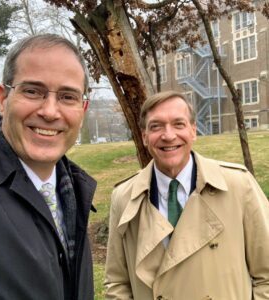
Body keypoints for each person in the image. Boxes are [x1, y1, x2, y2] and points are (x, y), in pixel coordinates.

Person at [104, 90, 269, 299]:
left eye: (178, 124)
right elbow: (117, 282)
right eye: (156, 126)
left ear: (193, 130)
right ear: (144, 137)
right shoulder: (123, 197)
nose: (168, 135)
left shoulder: (238, 185)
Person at [0, 34, 96, 300]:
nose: (50, 112)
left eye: (67, 96)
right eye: (32, 91)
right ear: (3, 99)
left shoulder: (73, 189)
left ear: (82, 109)